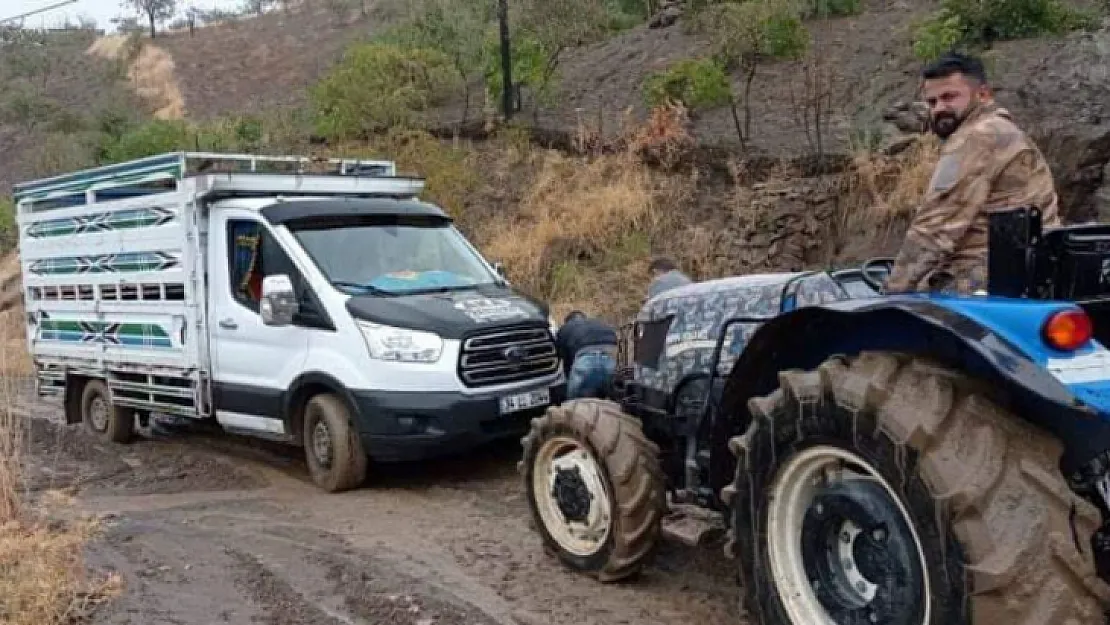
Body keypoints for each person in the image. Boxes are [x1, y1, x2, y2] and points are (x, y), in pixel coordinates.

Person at [883, 52, 1060, 295]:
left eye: (949, 97)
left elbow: (935, 227)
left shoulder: (977, 137)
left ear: (983, 95)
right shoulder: (1003, 130)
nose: (939, 109)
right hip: (1030, 271)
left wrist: (889, 295)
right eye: (932, 102)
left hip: (986, 277)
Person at [555, 311, 618, 399]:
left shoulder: (565, 328)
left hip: (585, 356)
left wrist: (569, 380)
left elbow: (565, 360)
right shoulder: (597, 322)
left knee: (573, 402)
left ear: (568, 321)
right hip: (609, 353)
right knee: (611, 399)